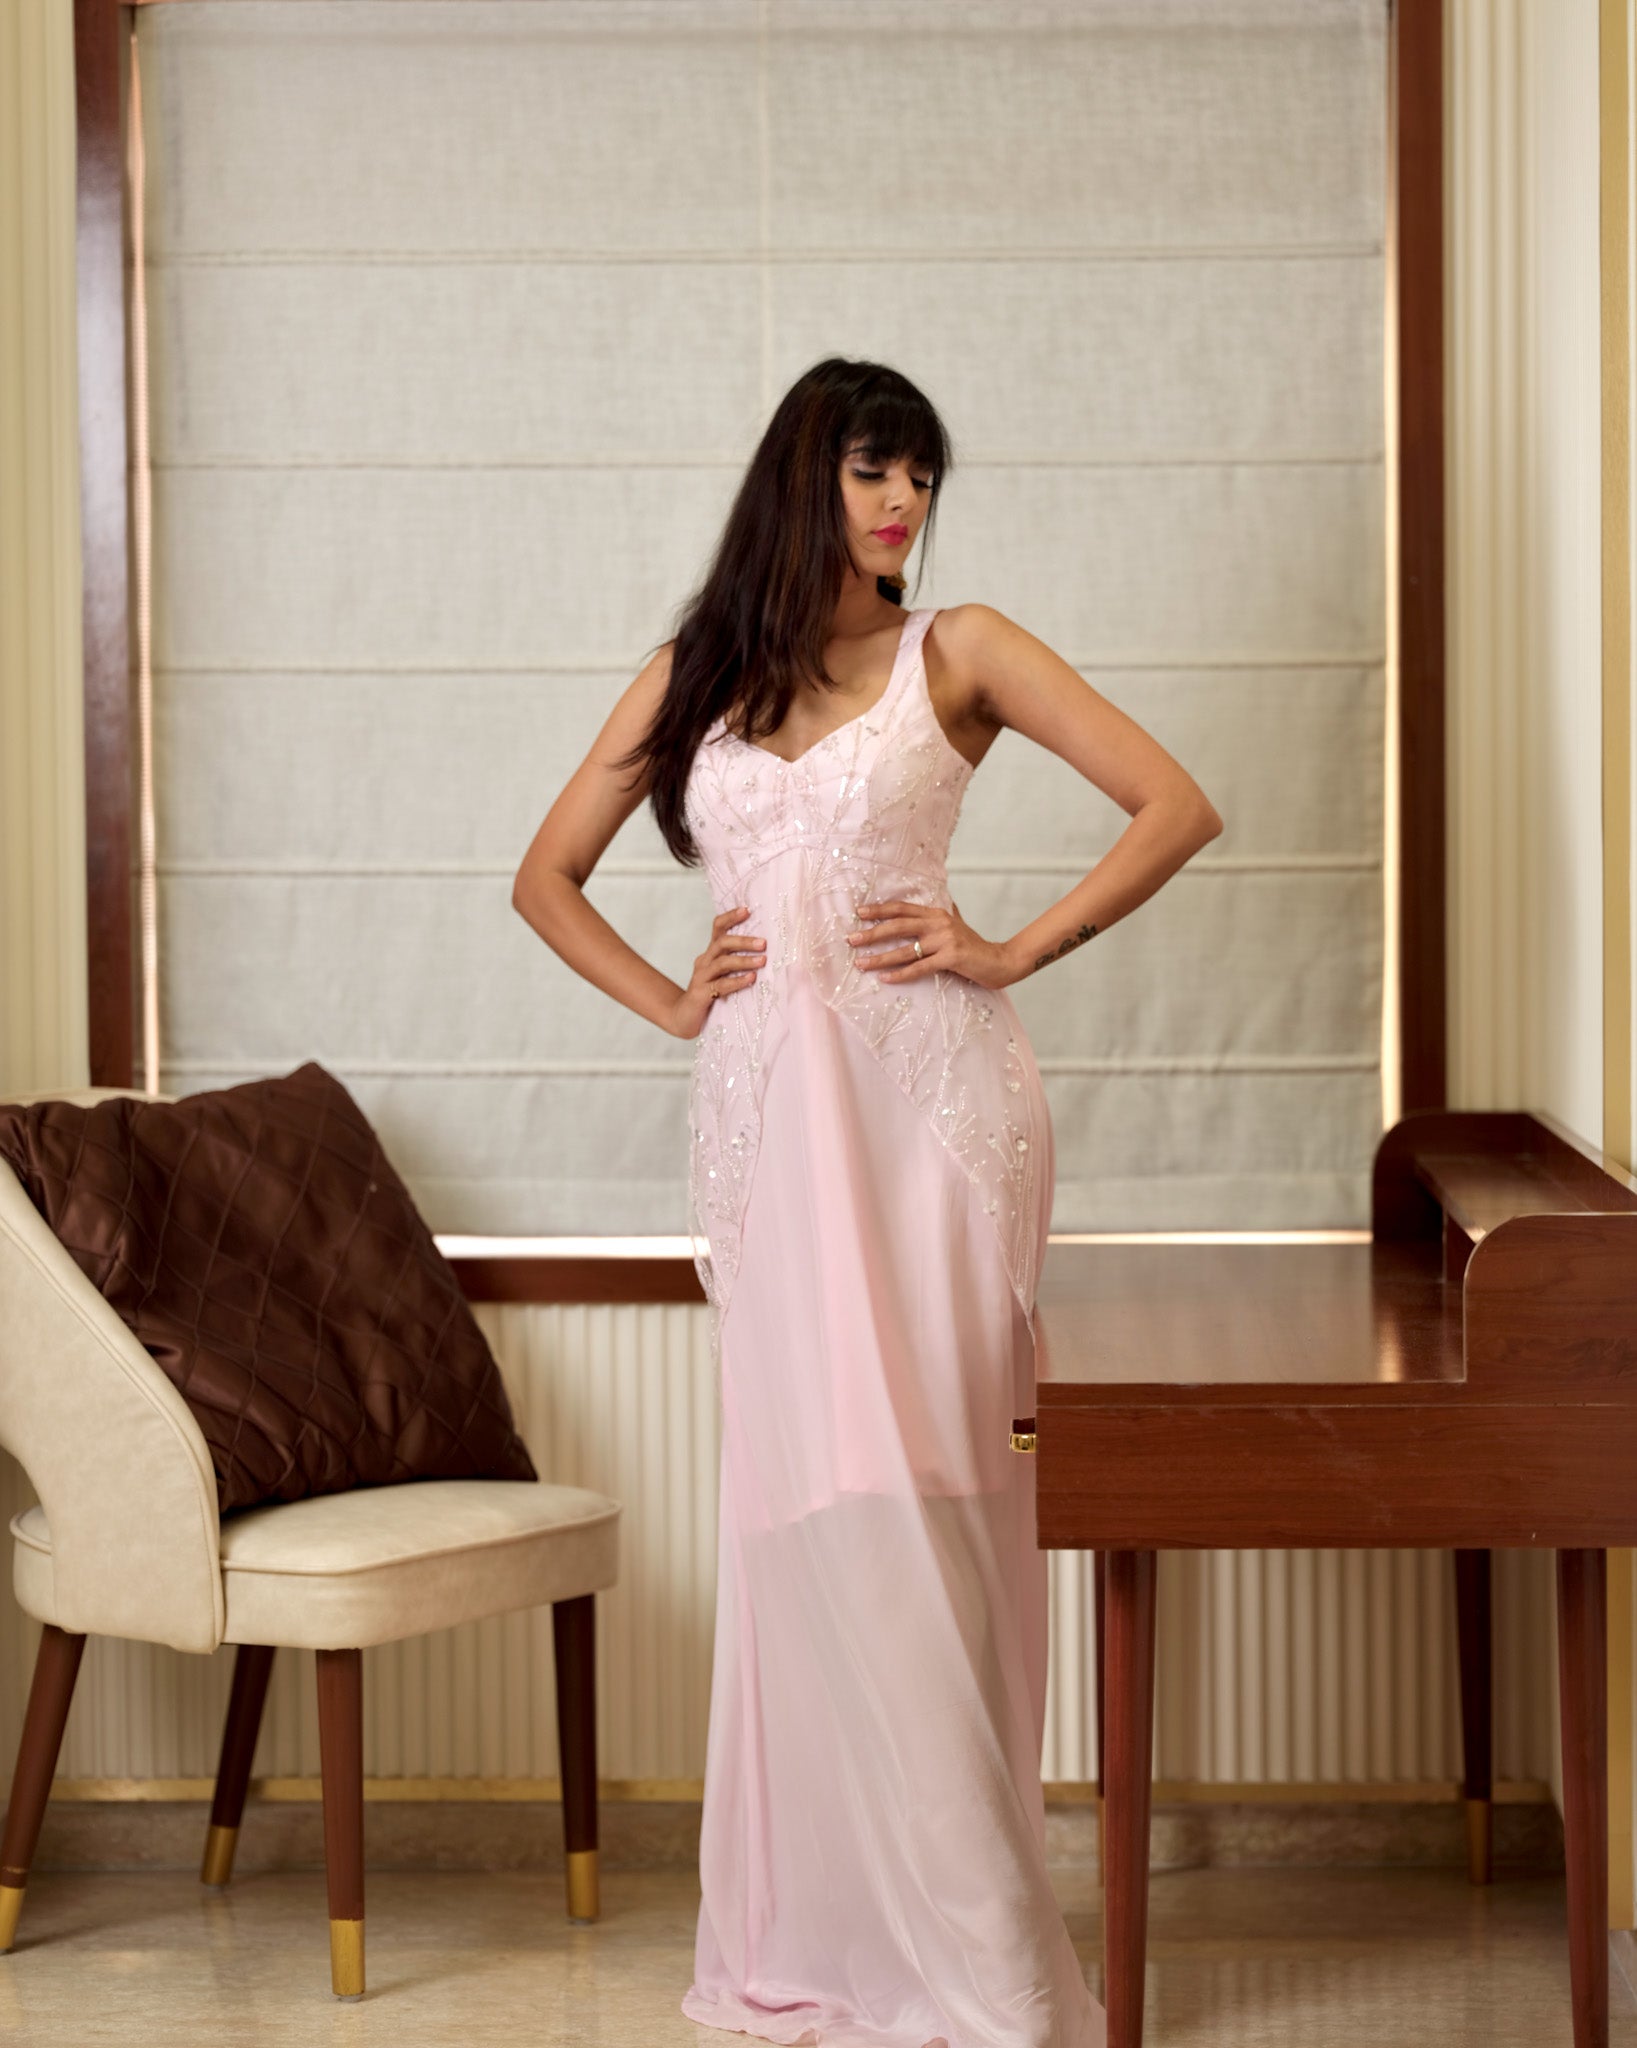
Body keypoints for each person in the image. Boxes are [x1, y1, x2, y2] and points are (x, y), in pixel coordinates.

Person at [512, 357, 1222, 2048]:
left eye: (918, 475)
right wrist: (678, 1002)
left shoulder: (954, 648)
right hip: (768, 1128)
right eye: (871, 471)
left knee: (933, 1497)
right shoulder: (697, 674)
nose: (902, 503)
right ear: (801, 479)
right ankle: (824, 1931)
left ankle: (977, 1957)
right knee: (805, 1507)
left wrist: (1004, 949)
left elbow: (1174, 804)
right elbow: (541, 877)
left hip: (935, 1119)